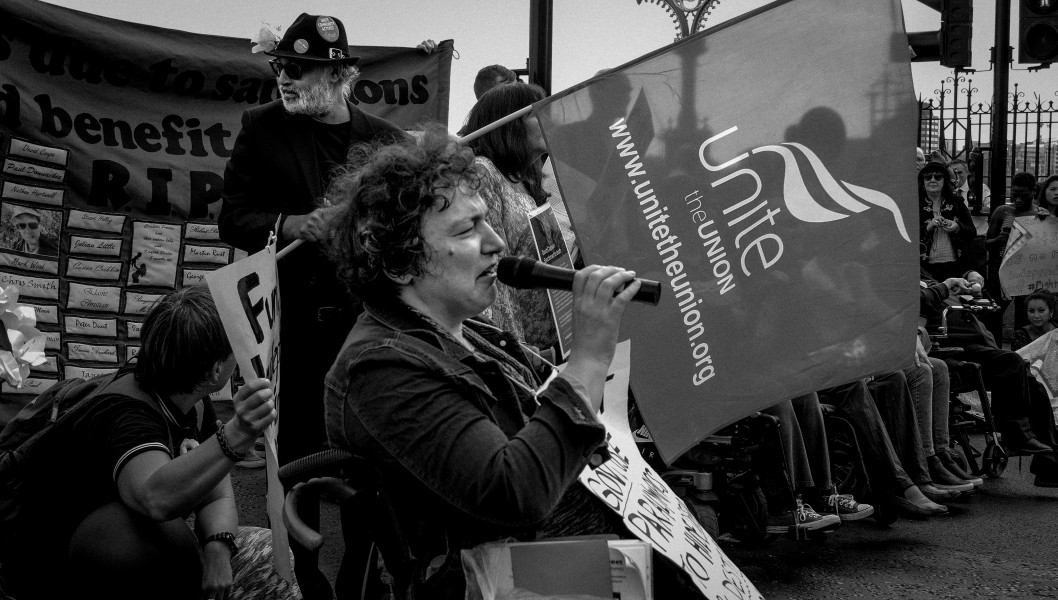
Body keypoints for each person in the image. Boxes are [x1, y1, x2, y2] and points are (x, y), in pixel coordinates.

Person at [322, 128, 714, 599]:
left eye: (487, 221)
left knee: (683, 569)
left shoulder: (468, 331)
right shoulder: (381, 370)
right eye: (466, 230)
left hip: (552, 552)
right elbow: (515, 492)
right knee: (670, 585)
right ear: (399, 263)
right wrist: (589, 357)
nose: (496, 243)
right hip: (493, 582)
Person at [218, 13, 410, 598]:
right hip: (293, 336)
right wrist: (290, 223)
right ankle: (306, 583)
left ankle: (358, 576)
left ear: (341, 73)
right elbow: (233, 218)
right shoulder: (262, 127)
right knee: (296, 463)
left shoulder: (384, 139)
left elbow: (400, 227)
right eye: (283, 67)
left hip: (365, 330)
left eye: (301, 70)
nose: (288, 79)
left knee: (367, 463)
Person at [0, 287, 291, 600]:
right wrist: (237, 432)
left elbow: (215, 489)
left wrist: (218, 549)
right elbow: (155, 498)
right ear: (216, 370)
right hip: (62, 570)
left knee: (270, 554)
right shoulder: (128, 416)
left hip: (117, 558)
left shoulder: (189, 398)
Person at [920, 270, 1058, 487]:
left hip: (975, 339)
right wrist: (943, 287)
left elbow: (954, 274)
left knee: (1036, 388)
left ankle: (1048, 466)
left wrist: (971, 275)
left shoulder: (923, 272)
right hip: (948, 346)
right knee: (1012, 362)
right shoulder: (903, 278)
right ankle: (1015, 433)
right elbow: (922, 300)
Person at [462, 82, 560, 351]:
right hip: (519, 349)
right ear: (510, 124)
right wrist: (513, 348)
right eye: (535, 113)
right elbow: (492, 268)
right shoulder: (483, 173)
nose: (548, 119)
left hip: (547, 345)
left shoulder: (523, 178)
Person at [919, 161, 975, 281]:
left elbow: (972, 232)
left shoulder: (957, 202)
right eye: (928, 177)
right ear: (923, 181)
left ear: (945, 181)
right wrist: (928, 227)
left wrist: (957, 227)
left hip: (955, 265)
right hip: (923, 268)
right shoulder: (914, 204)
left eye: (938, 177)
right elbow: (905, 235)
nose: (932, 180)